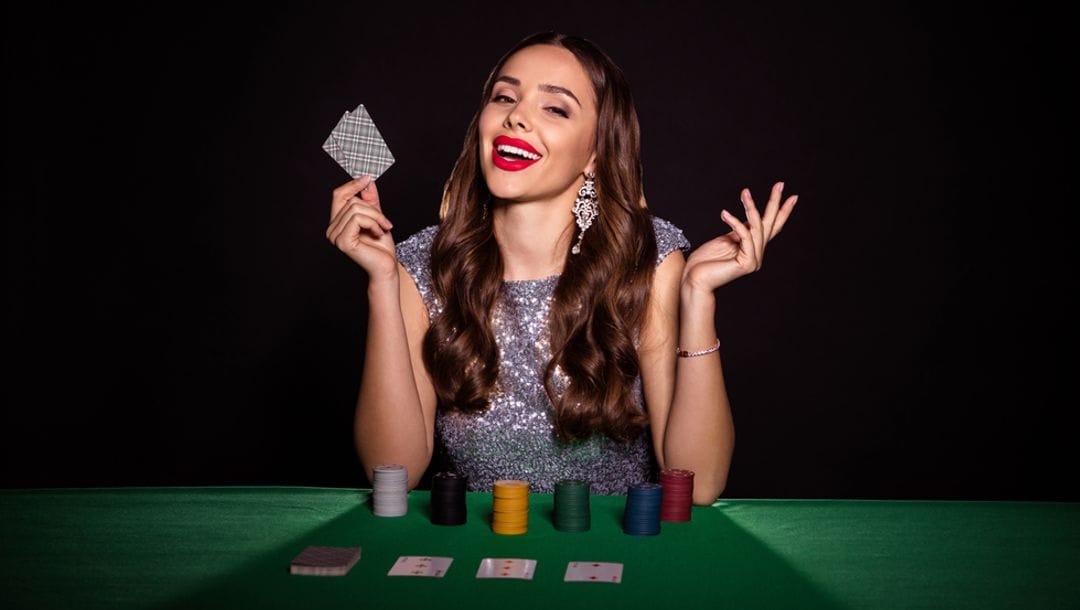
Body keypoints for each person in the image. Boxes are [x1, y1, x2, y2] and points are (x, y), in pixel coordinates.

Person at [326, 31, 796, 506]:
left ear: (595, 153)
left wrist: (698, 297)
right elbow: (392, 472)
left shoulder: (650, 262)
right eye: (504, 97)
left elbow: (699, 483)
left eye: (555, 108)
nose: (517, 115)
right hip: (477, 558)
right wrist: (382, 282)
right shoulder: (421, 266)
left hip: (617, 555)